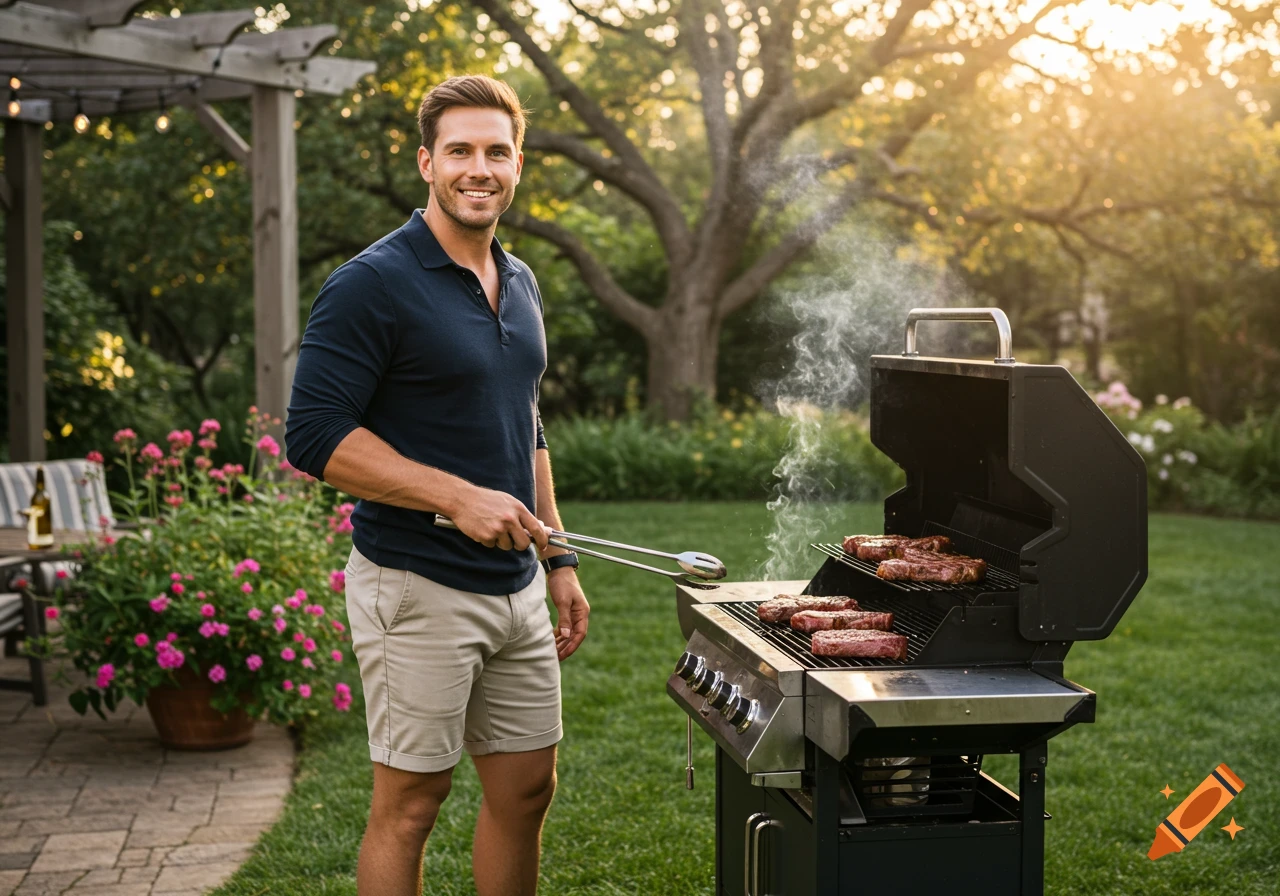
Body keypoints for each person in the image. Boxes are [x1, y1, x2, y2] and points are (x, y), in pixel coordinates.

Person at [285, 74, 590, 896]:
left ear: (518, 163)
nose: (478, 168)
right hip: (415, 585)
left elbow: (523, 422)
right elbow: (312, 437)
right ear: (427, 162)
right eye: (460, 150)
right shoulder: (371, 283)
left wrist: (558, 558)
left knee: (526, 790)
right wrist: (454, 495)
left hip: (517, 585)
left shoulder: (520, 280)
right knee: (413, 805)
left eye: (497, 151)